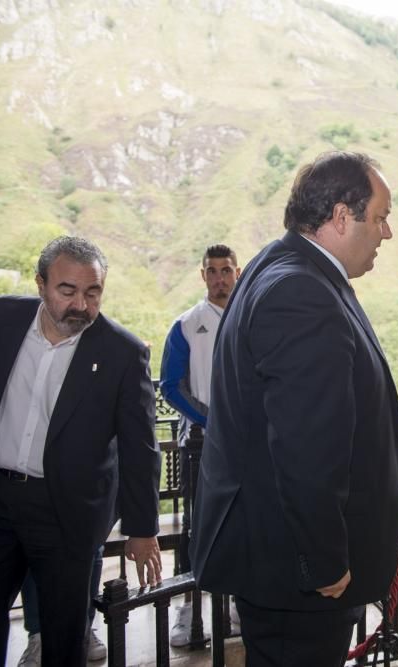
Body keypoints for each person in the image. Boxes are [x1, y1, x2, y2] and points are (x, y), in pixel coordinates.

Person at [190, 152, 398, 667]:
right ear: (339, 217)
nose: (387, 234)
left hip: (280, 563)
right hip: (298, 576)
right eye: (379, 218)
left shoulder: (282, 264)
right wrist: (325, 562)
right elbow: (306, 449)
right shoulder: (301, 292)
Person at [0, 236, 162, 667]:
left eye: (92, 292)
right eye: (67, 290)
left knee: (64, 635)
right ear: (41, 283)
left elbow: (140, 448)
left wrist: (142, 529)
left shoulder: (122, 351)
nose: (80, 304)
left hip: (66, 512)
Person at [159, 243, 241, 646]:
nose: (220, 278)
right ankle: (187, 612)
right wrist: (213, 419)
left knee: (240, 523)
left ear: (237, 273)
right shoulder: (187, 325)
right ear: (203, 275)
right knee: (196, 527)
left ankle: (235, 605)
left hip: (246, 447)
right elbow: (170, 386)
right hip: (201, 445)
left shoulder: (251, 318)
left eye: (226, 270)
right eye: (212, 271)